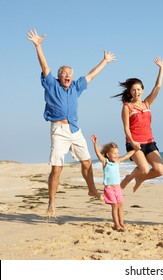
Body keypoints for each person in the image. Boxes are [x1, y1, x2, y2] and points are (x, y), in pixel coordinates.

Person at [27, 29, 116, 216]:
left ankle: (91, 189)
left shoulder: (76, 86)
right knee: (57, 168)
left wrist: (105, 61)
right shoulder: (51, 84)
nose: (67, 75)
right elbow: (45, 67)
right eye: (64, 73)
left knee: (87, 162)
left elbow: (91, 75)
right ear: (59, 76)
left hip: (75, 130)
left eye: (69, 73)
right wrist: (38, 46)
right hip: (59, 130)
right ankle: (51, 203)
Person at [113, 57, 163, 192]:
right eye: (133, 90)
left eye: (138, 89)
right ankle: (129, 178)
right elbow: (125, 128)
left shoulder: (147, 103)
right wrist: (133, 142)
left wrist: (161, 68)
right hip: (134, 143)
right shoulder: (127, 107)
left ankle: (140, 178)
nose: (136, 92)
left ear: (142, 90)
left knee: (159, 171)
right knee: (145, 169)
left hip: (149, 142)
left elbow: (157, 87)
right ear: (130, 92)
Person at [90, 135, 134, 231]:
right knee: (114, 205)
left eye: (117, 153)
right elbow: (98, 154)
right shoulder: (105, 162)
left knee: (120, 205)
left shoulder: (117, 162)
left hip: (118, 188)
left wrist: (136, 149)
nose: (116, 155)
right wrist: (95, 144)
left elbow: (127, 155)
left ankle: (121, 222)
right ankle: (116, 224)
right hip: (109, 189)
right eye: (114, 153)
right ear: (107, 154)